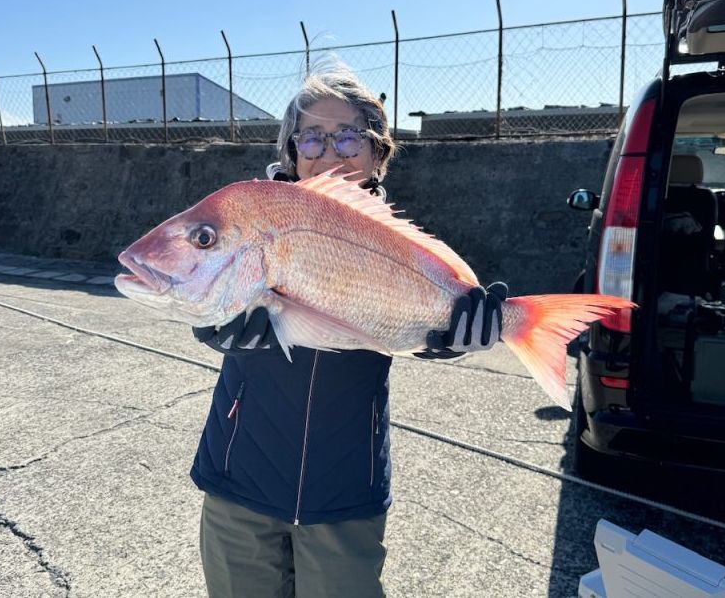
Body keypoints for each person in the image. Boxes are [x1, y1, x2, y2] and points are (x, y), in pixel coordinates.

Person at [189, 66, 507, 597]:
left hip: (344, 489)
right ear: (290, 150)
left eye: (347, 137)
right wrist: (214, 325)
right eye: (310, 136)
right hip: (237, 480)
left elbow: (413, 323)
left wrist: (451, 335)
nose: (327, 151)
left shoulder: (397, 244)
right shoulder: (250, 222)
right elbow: (200, 288)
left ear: (379, 153)